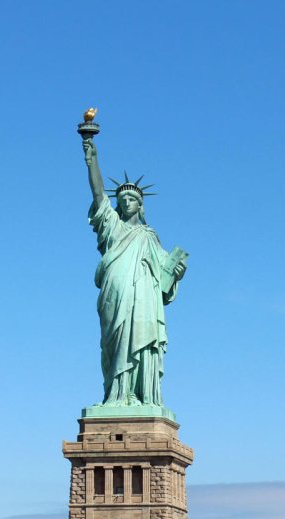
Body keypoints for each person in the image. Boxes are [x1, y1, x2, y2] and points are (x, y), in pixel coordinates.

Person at [82, 136, 187, 408]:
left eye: (132, 198)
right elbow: (97, 194)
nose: (127, 201)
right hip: (115, 295)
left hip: (144, 299)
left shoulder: (149, 237)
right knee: (115, 343)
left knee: (142, 342)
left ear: (141, 205)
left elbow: (166, 276)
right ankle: (115, 395)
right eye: (123, 198)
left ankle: (140, 396)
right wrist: (91, 159)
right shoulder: (112, 227)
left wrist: (176, 270)